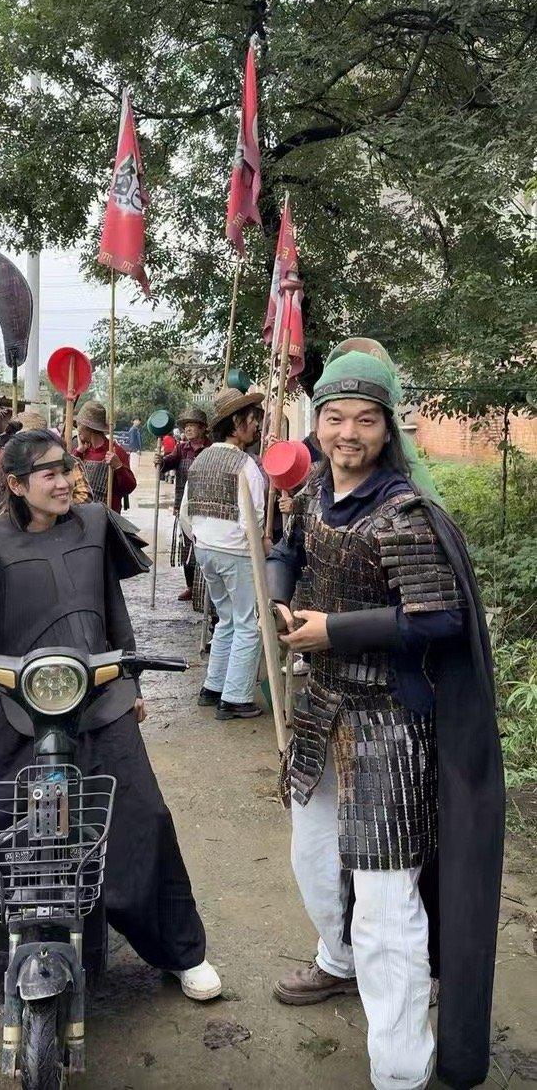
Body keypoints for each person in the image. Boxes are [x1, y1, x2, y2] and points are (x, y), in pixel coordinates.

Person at [0, 428, 221, 1021]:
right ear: (16, 484)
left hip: (97, 697)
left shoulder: (96, 524)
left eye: (66, 468)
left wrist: (130, 683)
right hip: (14, 702)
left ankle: (180, 952)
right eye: (48, 473)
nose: (65, 481)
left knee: (145, 817)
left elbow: (112, 612)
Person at [266, 347, 504, 1090]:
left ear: (386, 428)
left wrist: (331, 631)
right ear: (318, 423)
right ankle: (336, 961)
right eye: (334, 418)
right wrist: (280, 595)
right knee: (313, 861)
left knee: (384, 904)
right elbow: (288, 549)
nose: (347, 433)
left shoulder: (401, 514)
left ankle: (400, 1068)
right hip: (321, 711)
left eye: (364, 420)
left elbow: (438, 618)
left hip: (388, 728)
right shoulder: (313, 491)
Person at [180, 388, 265, 719]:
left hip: (205, 550)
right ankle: (236, 697)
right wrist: (257, 549)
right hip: (236, 552)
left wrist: (202, 539)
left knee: (227, 619)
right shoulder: (245, 464)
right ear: (237, 422)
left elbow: (186, 514)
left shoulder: (201, 459)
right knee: (248, 623)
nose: (256, 426)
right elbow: (253, 519)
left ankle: (213, 687)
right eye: (252, 420)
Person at [159, 406, 209, 601]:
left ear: (202, 428)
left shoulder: (211, 448)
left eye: (192, 425)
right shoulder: (181, 448)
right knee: (187, 547)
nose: (187, 429)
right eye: (186, 426)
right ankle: (190, 586)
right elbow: (169, 462)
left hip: (206, 505)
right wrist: (161, 462)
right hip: (184, 506)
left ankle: (206, 587)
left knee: (205, 546)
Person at [72, 401, 136, 513]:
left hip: (107, 517)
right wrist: (78, 452)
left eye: (79, 425)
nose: (78, 430)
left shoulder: (115, 451)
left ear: (89, 428)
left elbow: (129, 487)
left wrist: (119, 467)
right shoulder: (81, 451)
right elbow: (67, 478)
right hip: (82, 517)